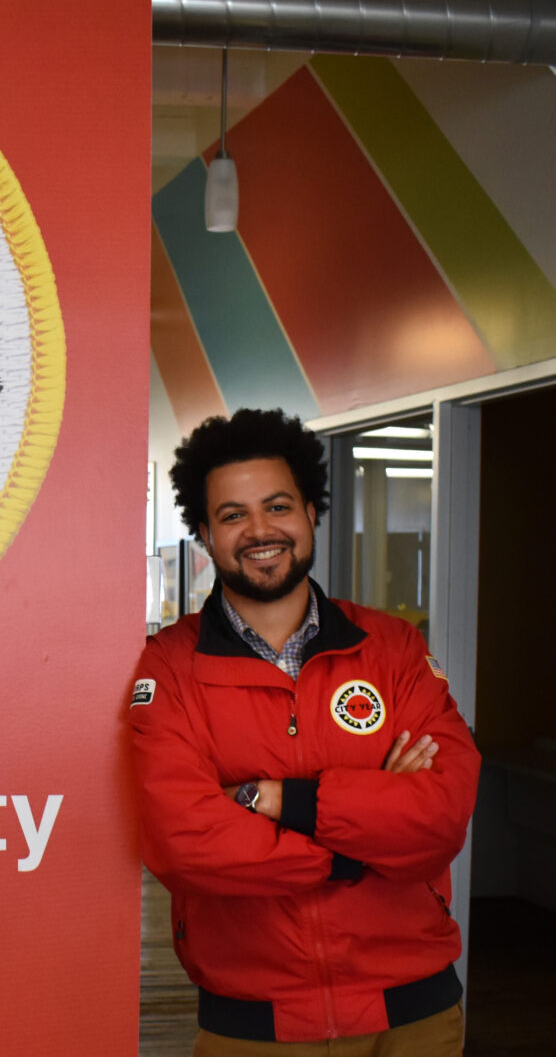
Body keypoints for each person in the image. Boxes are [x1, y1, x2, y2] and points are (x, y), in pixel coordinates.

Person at [129, 408, 478, 1055]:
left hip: (413, 1016)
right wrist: (361, 841)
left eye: (278, 506)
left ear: (312, 511)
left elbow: (442, 813)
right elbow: (185, 839)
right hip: (255, 1023)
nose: (260, 530)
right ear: (205, 533)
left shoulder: (392, 649)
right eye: (233, 515)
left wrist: (279, 800)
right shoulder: (170, 666)